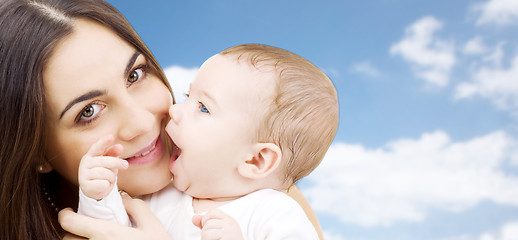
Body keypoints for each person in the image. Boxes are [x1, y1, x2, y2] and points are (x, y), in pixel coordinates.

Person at [0, 0, 324, 239]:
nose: (142, 123)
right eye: (88, 111)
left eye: (135, 74)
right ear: (35, 150)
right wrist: (97, 196)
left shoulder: (261, 195)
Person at [78, 43, 339, 239]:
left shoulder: (275, 214)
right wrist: (99, 196)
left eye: (203, 108)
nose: (175, 110)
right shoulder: (159, 197)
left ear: (255, 160)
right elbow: (107, 233)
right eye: (187, 96)